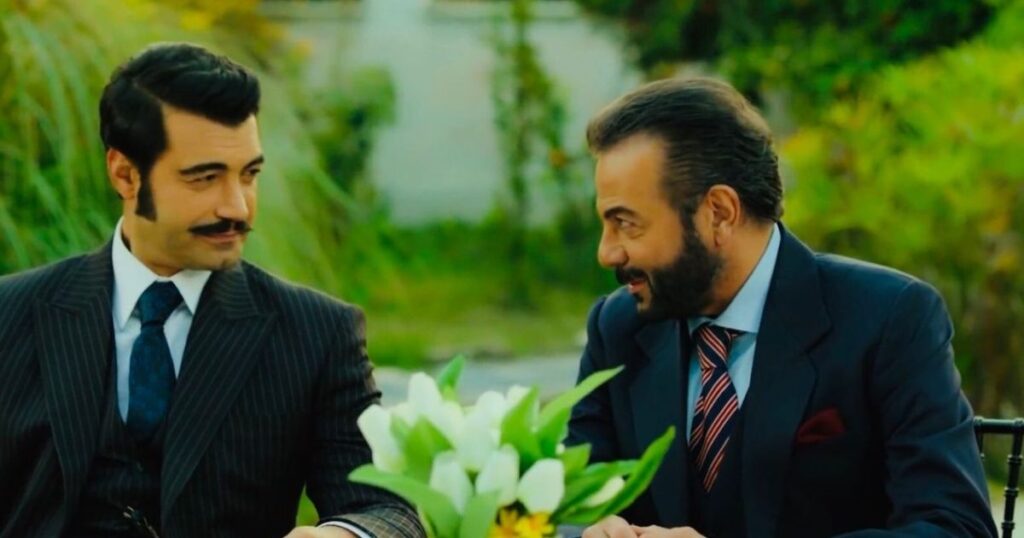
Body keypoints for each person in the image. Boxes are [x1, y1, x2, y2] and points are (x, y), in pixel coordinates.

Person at [0, 43, 423, 538]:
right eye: (205, 178)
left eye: (249, 175)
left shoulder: (318, 332)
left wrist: (341, 535)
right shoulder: (10, 315)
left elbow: (387, 510)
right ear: (126, 174)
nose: (237, 207)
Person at [566, 77, 997, 537]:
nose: (607, 253)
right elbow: (562, 505)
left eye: (626, 224)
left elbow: (955, 527)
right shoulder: (619, 328)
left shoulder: (889, 318)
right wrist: (590, 529)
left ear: (719, 213)